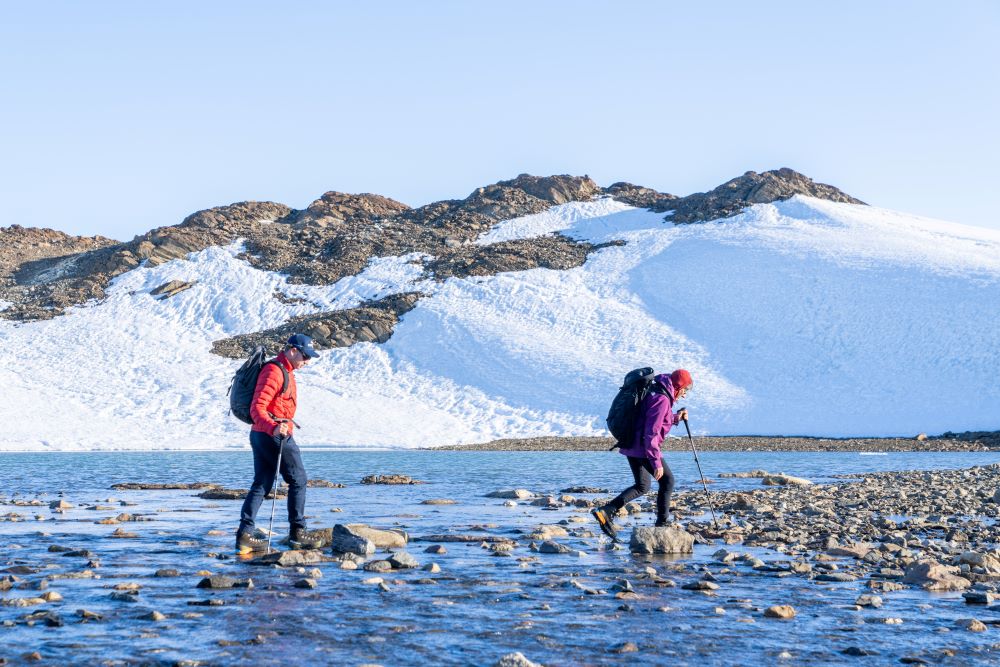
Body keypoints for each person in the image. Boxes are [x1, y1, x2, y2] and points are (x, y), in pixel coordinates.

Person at [235, 333, 322, 553]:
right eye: (305, 356)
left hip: (262, 434)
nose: (307, 361)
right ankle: (298, 533)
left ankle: (245, 536)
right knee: (299, 479)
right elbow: (257, 407)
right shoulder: (274, 371)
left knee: (262, 483)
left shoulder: (286, 371)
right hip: (272, 433)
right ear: (293, 350)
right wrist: (274, 426)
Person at [592, 369, 693, 540]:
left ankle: (606, 511)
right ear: (678, 386)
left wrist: (676, 418)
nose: (684, 395)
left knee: (642, 486)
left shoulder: (658, 391)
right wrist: (656, 462)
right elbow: (651, 433)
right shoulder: (661, 399)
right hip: (644, 448)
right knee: (667, 481)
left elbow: (658, 419)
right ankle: (662, 524)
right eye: (684, 390)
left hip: (633, 444)